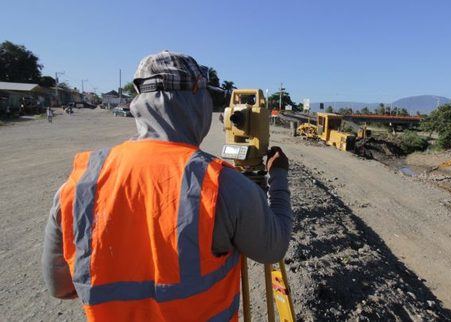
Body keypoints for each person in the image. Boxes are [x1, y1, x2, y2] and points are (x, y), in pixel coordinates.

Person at [42, 51, 293, 321]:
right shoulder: (221, 184)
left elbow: (60, 286)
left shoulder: (81, 183)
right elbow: (273, 246)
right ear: (196, 96)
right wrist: (277, 178)